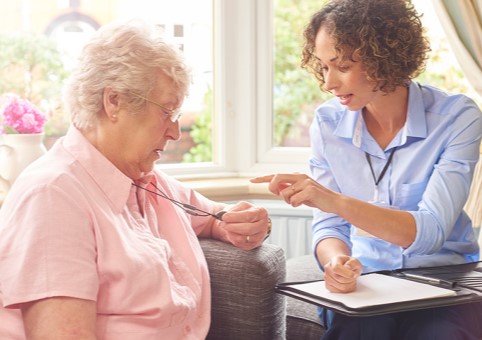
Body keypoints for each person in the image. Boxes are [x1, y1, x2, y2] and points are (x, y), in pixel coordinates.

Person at [0, 20, 271, 339]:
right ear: (114, 101)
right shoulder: (53, 195)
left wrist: (240, 222)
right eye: (166, 112)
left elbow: (213, 217)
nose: (175, 132)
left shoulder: (146, 180)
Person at [251, 0, 482, 339]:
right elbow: (329, 226)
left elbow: (429, 233)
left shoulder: (457, 117)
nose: (328, 83)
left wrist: (333, 200)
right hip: (369, 282)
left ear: (383, 57)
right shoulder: (328, 123)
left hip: (445, 282)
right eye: (323, 67)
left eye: (341, 66)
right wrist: (336, 262)